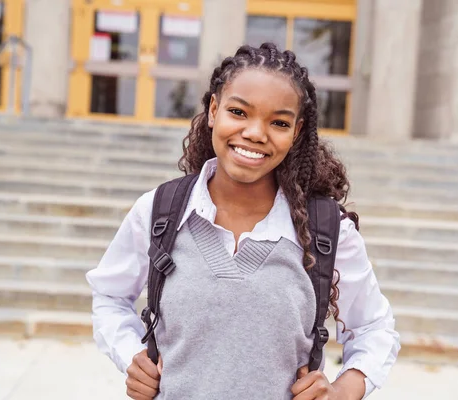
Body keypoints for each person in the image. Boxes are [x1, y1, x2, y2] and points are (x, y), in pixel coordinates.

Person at [86, 42, 400, 400]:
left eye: (278, 122)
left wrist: (343, 390)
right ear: (214, 111)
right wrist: (132, 356)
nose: (255, 133)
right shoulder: (159, 212)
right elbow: (110, 296)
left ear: (296, 132)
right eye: (238, 112)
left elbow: (375, 328)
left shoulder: (325, 230)